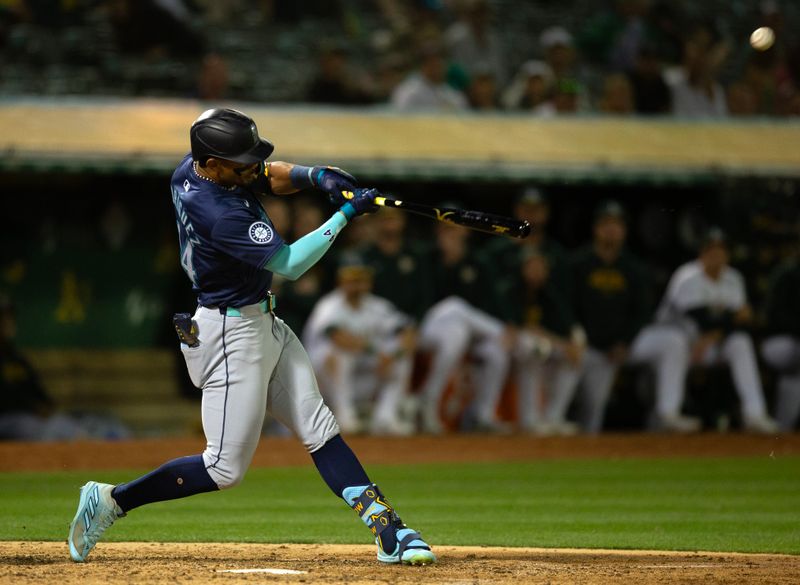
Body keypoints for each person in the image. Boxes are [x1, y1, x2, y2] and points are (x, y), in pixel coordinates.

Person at [67, 108, 436, 566]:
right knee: (223, 468)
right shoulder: (217, 212)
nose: (251, 170)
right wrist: (344, 212)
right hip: (228, 335)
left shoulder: (195, 166)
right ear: (214, 165)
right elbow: (289, 264)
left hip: (263, 322)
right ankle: (111, 500)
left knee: (319, 428)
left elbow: (270, 175)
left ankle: (389, 530)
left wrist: (316, 176)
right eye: (239, 164)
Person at [654, 228, 778, 433]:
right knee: (675, 343)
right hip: (676, 342)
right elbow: (701, 318)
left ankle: (755, 414)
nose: (716, 255)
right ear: (701, 253)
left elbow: (743, 322)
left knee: (740, 342)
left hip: (708, 346)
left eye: (721, 250)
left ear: (728, 254)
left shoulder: (734, 278)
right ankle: (669, 415)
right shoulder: (687, 276)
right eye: (710, 250)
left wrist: (716, 333)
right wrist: (727, 321)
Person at [416, 220, 511, 434]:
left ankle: (483, 414)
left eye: (454, 227)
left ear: (465, 230)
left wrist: (508, 321)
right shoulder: (427, 257)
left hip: (466, 332)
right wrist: (447, 262)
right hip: (429, 327)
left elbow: (494, 298)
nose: (450, 234)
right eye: (445, 229)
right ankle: (498, 331)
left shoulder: (478, 261)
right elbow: (423, 298)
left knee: (496, 351)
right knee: (455, 306)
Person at [304, 255, 416, 436]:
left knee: (401, 356)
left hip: (362, 380)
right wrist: (379, 354)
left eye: (361, 278)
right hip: (323, 384)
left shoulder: (378, 306)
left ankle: (386, 417)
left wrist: (394, 355)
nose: (356, 284)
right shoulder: (329, 306)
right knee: (340, 353)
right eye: (352, 279)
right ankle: (344, 416)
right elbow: (339, 337)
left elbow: (408, 331)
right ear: (341, 281)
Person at [568, 201, 651, 433]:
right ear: (596, 228)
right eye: (606, 224)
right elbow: (566, 305)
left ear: (625, 231)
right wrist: (574, 335)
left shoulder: (634, 268)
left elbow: (643, 312)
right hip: (581, 347)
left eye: (617, 225)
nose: (611, 230)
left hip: (612, 351)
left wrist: (625, 342)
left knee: (593, 413)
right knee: (561, 405)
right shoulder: (578, 263)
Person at [510, 248, 584, 435]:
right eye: (532, 266)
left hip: (541, 343)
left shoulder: (550, 293)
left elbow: (567, 326)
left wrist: (570, 346)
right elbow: (523, 326)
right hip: (509, 344)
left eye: (541, 267)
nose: (537, 271)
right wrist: (559, 343)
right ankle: (529, 419)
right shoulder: (510, 289)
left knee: (574, 353)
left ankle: (554, 417)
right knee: (535, 348)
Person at [761, 254, 800, 431]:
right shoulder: (787, 275)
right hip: (778, 341)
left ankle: (785, 427)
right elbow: (776, 317)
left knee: (794, 374)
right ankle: (784, 427)